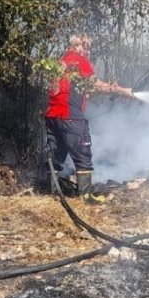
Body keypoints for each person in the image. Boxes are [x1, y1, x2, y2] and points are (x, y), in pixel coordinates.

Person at [43, 35, 134, 194]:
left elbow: (75, 89)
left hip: (52, 117)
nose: (89, 52)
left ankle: (53, 196)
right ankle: (84, 198)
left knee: (55, 159)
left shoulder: (60, 62)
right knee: (83, 157)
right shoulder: (79, 60)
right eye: (87, 47)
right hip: (70, 116)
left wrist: (108, 92)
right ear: (79, 46)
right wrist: (121, 90)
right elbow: (95, 85)